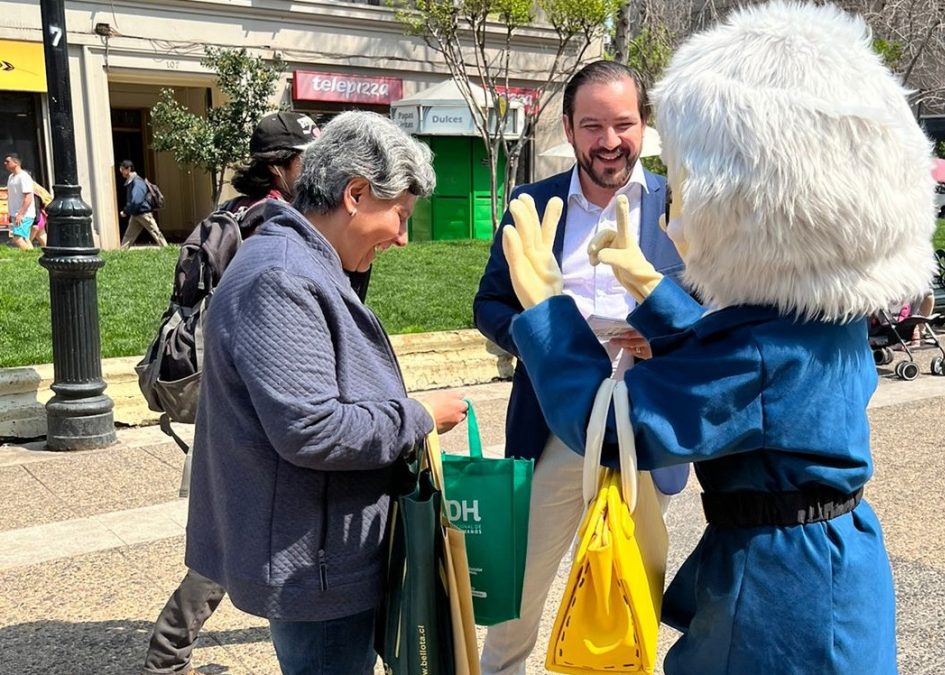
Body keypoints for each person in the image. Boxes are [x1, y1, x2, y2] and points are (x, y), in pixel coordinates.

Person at [499, 2, 942, 671]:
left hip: (777, 591)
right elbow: (730, 354)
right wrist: (655, 290)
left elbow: (619, 426)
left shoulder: (764, 343)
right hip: (831, 561)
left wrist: (547, 315)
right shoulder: (824, 315)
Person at [184, 111, 468, 675]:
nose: (404, 238)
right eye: (401, 215)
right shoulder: (283, 276)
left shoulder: (305, 263)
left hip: (323, 553)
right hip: (314, 567)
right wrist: (416, 417)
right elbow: (312, 429)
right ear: (356, 194)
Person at [474, 61, 688, 675]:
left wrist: (661, 338)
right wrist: (545, 339)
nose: (609, 140)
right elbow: (488, 303)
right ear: (568, 129)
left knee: (630, 583)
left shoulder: (681, 206)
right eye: (592, 124)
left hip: (648, 426)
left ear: (644, 126)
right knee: (522, 588)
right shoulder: (533, 203)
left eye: (623, 123)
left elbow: (708, 313)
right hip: (555, 423)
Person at [142, 110, 322, 675]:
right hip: (254, 398)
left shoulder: (226, 216)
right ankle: (167, 656)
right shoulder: (274, 225)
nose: (318, 170)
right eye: (307, 160)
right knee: (238, 527)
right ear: (280, 166)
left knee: (241, 523)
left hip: (230, 390)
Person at [119, 160, 168, 249]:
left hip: (143, 213)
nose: (121, 172)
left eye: (122, 169)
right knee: (129, 236)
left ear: (128, 169)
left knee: (156, 232)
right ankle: (121, 253)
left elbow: (136, 200)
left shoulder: (137, 182)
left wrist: (126, 211)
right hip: (136, 214)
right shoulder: (132, 182)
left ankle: (167, 249)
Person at [4, 153, 36, 251]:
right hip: (15, 214)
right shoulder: (11, 177)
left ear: (16, 162)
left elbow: (28, 197)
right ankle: (32, 255)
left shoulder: (24, 177)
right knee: (25, 238)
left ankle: (28, 257)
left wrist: (20, 214)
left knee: (17, 237)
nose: (5, 163)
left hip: (24, 215)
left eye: (8, 161)